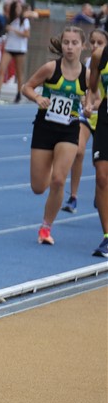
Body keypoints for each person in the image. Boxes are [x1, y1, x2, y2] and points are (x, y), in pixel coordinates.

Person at [19, 25, 88, 246]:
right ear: (62, 44)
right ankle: (49, 167)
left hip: (69, 129)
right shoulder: (51, 68)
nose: (70, 47)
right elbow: (26, 87)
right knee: (38, 187)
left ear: (82, 46)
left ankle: (46, 227)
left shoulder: (87, 75)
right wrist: (37, 98)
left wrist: (88, 106)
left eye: (74, 43)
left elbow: (93, 99)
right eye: (66, 42)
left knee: (59, 180)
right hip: (45, 127)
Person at [64, 27, 108, 214]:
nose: (95, 45)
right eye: (93, 42)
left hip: (103, 115)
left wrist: (96, 104)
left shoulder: (104, 60)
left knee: (101, 168)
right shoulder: (89, 62)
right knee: (79, 151)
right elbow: (87, 89)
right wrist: (85, 102)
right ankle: (73, 197)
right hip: (88, 116)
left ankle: (101, 192)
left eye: (100, 42)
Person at [83, 34, 108, 257]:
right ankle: (107, 236)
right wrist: (91, 102)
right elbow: (92, 85)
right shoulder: (100, 55)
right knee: (101, 177)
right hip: (105, 119)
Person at [0, 0, 29, 103]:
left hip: (20, 49)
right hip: (9, 48)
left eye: (19, 8)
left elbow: (26, 34)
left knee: (19, 72)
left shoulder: (24, 20)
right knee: (2, 68)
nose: (18, 9)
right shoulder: (9, 19)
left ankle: (19, 94)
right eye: (16, 7)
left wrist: (14, 30)